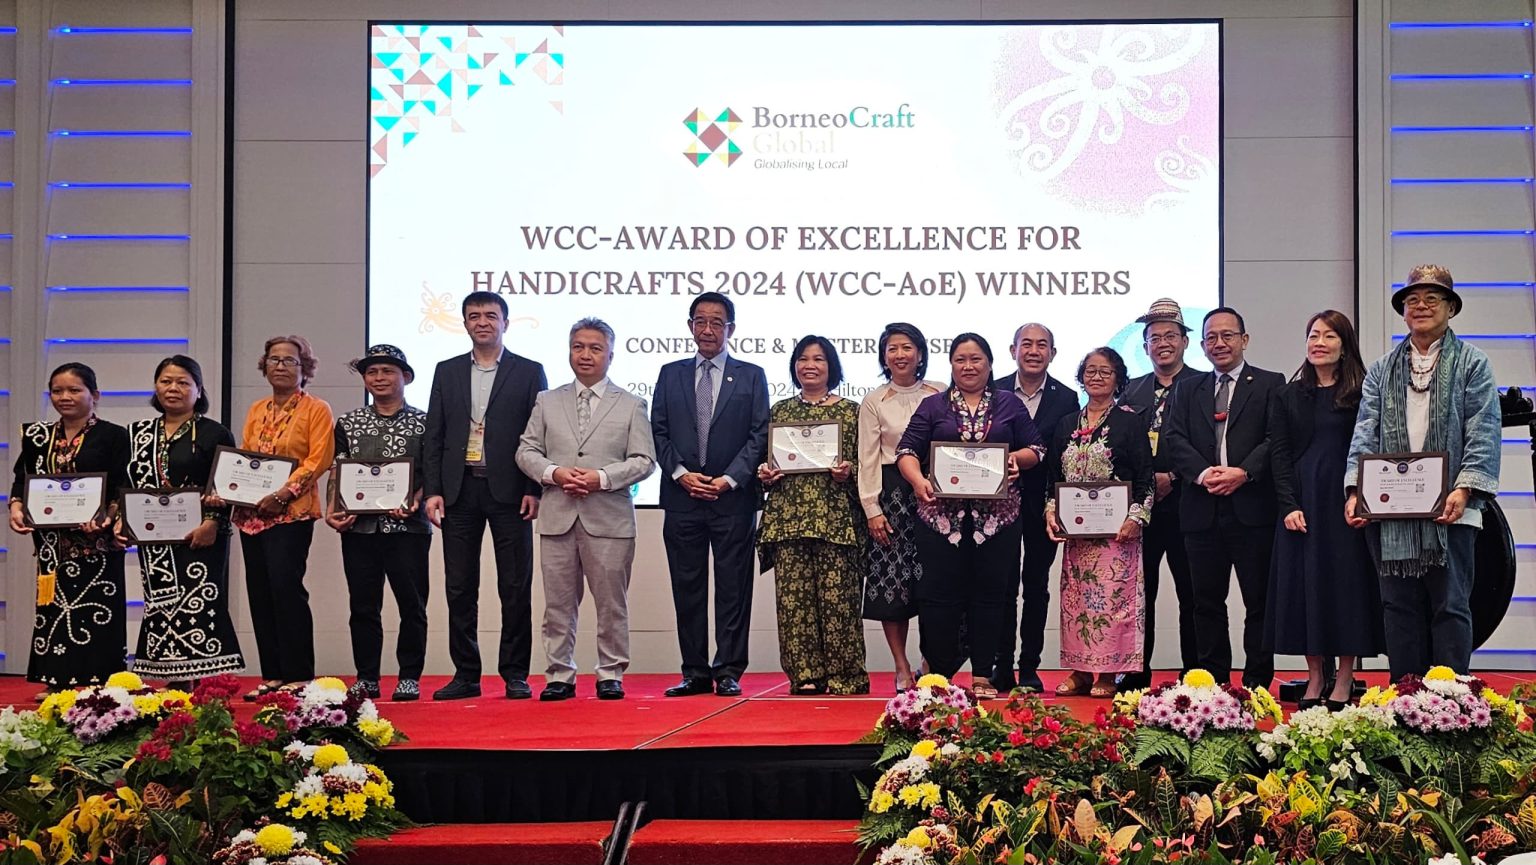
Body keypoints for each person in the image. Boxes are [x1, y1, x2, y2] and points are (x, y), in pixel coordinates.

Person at [1346, 265, 1500, 679]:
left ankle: (1449, 701)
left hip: (1451, 506)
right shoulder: (1382, 369)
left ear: (1451, 308)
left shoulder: (1473, 363)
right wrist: (1355, 490)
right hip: (1390, 509)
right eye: (1413, 300)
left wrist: (1464, 489)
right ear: (1403, 311)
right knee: (1397, 605)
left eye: (1432, 299)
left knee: (1451, 605)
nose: (1421, 306)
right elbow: (1365, 431)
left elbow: (1483, 430)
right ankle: (1405, 698)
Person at [895, 333, 1044, 699]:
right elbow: (906, 451)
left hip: (997, 522)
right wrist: (917, 480)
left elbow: (1037, 448)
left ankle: (982, 675)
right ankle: (938, 676)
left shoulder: (1008, 403)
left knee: (991, 596)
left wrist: (1015, 460)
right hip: (939, 522)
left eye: (976, 359)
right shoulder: (933, 405)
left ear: (990, 364)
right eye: (960, 359)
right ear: (951, 364)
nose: (968, 366)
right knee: (937, 598)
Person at [516, 318, 656, 701]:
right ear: (569, 351)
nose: (586, 354)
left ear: (611, 354)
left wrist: (601, 478)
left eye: (595, 348)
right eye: (578, 346)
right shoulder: (547, 400)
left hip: (609, 518)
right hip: (557, 516)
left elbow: (644, 460)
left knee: (611, 604)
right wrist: (554, 473)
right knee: (557, 605)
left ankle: (610, 672)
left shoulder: (631, 404)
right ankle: (559, 674)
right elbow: (526, 450)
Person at [423, 291, 547, 701]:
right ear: (464, 323)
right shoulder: (447, 371)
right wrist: (434, 490)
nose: (482, 322)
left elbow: (538, 436)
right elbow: (435, 435)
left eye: (491, 316)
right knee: (459, 587)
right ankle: (466, 674)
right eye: (474, 315)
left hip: (510, 491)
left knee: (515, 585)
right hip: (459, 491)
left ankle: (515, 673)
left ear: (505, 323)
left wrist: (534, 489)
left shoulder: (529, 372)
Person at [652, 291, 770, 698]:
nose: (707, 329)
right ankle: (694, 671)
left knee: (733, 588)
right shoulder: (670, 374)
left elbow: (759, 435)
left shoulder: (751, 375)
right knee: (687, 587)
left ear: (730, 329)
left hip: (732, 499)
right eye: (700, 321)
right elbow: (658, 432)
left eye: (716, 322)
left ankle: (729, 670)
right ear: (690, 326)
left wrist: (729, 479)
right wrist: (682, 475)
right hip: (682, 497)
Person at [1162, 308, 1285, 690]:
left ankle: (1256, 684)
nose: (1219, 343)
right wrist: (1204, 474)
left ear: (1244, 340)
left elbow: (1275, 439)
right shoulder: (1188, 388)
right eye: (1211, 337)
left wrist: (1243, 473)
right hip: (1201, 510)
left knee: (1258, 601)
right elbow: (1174, 438)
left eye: (1227, 335)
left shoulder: (1269, 383)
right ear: (1201, 345)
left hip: (1252, 510)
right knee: (1205, 602)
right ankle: (1213, 683)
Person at [1267, 312, 1383, 710]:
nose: (1319, 342)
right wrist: (1288, 505)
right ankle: (1315, 675)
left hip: (1346, 502)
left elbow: (1372, 448)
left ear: (1344, 345)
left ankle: (1345, 676)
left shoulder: (1363, 393)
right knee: (1305, 588)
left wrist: (1362, 496)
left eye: (1329, 336)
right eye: (1313, 335)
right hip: (1303, 503)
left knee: (1346, 587)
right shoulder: (1289, 394)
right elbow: (1279, 454)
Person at [9, 363, 130, 697]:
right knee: (53, 609)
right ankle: (57, 680)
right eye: (57, 390)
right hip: (52, 543)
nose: (65, 396)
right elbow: (22, 478)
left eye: (75, 390)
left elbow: (123, 483)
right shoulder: (38, 436)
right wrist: (16, 507)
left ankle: (101, 682)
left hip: (97, 541)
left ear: (95, 395)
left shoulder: (114, 435)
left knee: (98, 610)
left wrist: (109, 515)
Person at [757, 335, 868, 695]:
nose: (810, 365)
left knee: (839, 601)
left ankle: (845, 676)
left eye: (818, 359)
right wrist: (765, 473)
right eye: (803, 359)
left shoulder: (851, 411)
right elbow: (766, 462)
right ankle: (805, 674)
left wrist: (848, 472)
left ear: (831, 366)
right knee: (794, 602)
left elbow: (866, 466)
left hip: (836, 519)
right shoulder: (780, 411)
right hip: (788, 519)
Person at [123, 356, 244, 686]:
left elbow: (226, 484)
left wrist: (212, 522)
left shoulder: (214, 432)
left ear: (199, 390)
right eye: (166, 381)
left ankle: (200, 677)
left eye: (183, 382)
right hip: (154, 536)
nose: (173, 388)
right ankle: (171, 675)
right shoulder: (137, 433)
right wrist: (125, 521)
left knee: (198, 602)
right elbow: (126, 483)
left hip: (200, 534)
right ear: (156, 387)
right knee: (159, 602)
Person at [227, 335, 334, 700]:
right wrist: (234, 488)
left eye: (290, 361)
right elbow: (247, 457)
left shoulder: (317, 409)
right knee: (260, 593)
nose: (281, 366)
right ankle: (272, 673)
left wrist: (283, 494)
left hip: (292, 513)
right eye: (274, 360)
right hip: (253, 514)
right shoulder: (257, 408)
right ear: (264, 366)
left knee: (287, 590)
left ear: (305, 369)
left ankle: (298, 674)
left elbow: (318, 459)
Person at [1044, 348, 1154, 698]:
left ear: (1118, 378)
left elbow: (1146, 477)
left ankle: (1107, 673)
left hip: (1117, 535)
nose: (1096, 377)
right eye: (1090, 370)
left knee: (1111, 603)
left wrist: (1136, 518)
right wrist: (1051, 512)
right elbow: (1053, 478)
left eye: (1105, 371)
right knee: (1077, 604)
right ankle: (1079, 671)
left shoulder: (1130, 422)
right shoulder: (1066, 424)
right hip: (1077, 536)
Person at [326, 344, 430, 702]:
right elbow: (338, 468)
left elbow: (433, 472)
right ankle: (367, 677)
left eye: (388, 371)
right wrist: (334, 508)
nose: (379, 378)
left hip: (408, 528)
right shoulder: (349, 422)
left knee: (412, 605)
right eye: (372, 372)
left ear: (406, 377)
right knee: (363, 605)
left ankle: (409, 676)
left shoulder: (425, 422)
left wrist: (417, 499)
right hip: (359, 529)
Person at [1118, 298, 1204, 690]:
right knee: (1139, 594)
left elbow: (1209, 444)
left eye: (1171, 336)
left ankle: (1195, 672)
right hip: (1142, 510)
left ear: (1185, 341)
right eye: (1155, 338)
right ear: (1145, 346)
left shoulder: (1203, 386)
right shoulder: (1131, 391)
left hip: (1189, 503)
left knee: (1193, 593)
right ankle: (1136, 672)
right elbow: (1119, 445)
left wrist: (1174, 475)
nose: (1163, 343)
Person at [990, 323, 1079, 694]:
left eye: (1042, 345)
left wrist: (1056, 505)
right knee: (1002, 585)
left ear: (1052, 354)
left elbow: (1064, 457)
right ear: (1013, 350)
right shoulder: (993, 390)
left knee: (1037, 586)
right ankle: (1001, 664)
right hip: (997, 504)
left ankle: (1029, 665)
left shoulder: (1067, 397)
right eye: (1026, 344)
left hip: (1043, 505)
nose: (1033, 351)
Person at [857, 323, 943, 691]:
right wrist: (872, 509)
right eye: (892, 348)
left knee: (935, 582)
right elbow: (867, 458)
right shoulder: (874, 400)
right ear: (884, 356)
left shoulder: (940, 392)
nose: (900, 354)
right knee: (892, 585)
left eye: (907, 347)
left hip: (937, 493)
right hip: (892, 497)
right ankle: (901, 666)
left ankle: (931, 663)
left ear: (920, 353)